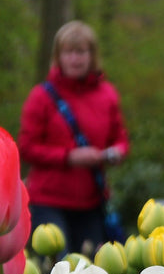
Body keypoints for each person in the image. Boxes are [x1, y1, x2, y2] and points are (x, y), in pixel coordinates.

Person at [18, 20, 129, 255]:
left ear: (92, 55)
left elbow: (120, 139)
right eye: (69, 52)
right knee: (58, 269)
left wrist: (113, 153)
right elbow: (26, 148)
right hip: (48, 202)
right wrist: (69, 157)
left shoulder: (107, 94)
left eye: (81, 52)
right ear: (58, 56)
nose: (75, 59)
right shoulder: (42, 97)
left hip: (91, 203)